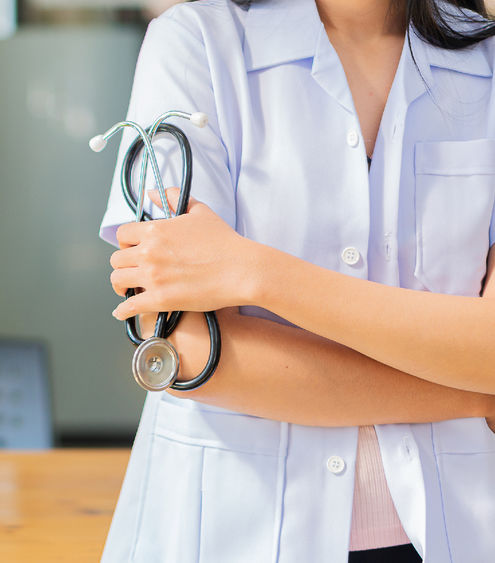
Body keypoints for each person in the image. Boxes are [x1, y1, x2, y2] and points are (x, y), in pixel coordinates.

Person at [98, 0, 495, 561]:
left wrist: (255, 273)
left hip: (455, 531)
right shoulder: (195, 44)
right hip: (233, 533)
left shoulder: (488, 57)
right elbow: (188, 351)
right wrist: (475, 392)